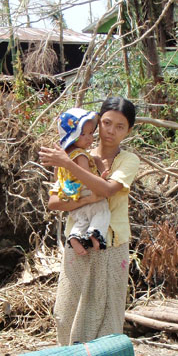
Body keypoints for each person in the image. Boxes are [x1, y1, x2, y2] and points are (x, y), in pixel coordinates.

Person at [40, 97, 140, 345]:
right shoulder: (76, 154)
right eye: (106, 123)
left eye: (120, 126)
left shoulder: (128, 160)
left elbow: (107, 190)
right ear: (97, 123)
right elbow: (54, 202)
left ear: (128, 131)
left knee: (106, 317)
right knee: (64, 313)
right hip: (78, 243)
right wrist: (86, 198)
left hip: (112, 247)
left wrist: (68, 165)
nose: (110, 131)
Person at [51, 107, 111, 256]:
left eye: (91, 133)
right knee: (102, 210)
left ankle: (74, 238)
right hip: (84, 190)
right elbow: (86, 176)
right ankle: (95, 235)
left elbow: (56, 177)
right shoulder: (81, 155)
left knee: (81, 219)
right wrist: (100, 181)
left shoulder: (62, 157)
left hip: (70, 195)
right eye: (83, 134)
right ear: (72, 136)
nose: (89, 138)